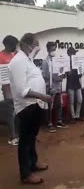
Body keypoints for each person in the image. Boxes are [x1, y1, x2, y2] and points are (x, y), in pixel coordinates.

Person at [9, 33, 52, 184]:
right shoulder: (18, 62)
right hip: (26, 107)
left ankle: (33, 163)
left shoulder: (28, 60)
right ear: (27, 45)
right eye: (35, 44)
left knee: (32, 137)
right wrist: (42, 96)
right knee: (25, 140)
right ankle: (25, 174)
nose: (37, 47)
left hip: (35, 105)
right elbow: (22, 90)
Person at [42, 42, 68, 133]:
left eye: (54, 49)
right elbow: (44, 75)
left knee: (60, 104)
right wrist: (49, 86)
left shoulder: (58, 60)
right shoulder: (46, 61)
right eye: (52, 49)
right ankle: (49, 123)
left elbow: (61, 71)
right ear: (48, 50)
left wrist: (63, 74)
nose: (54, 51)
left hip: (58, 86)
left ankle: (59, 121)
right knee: (50, 106)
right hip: (51, 87)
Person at [0, 35, 19, 146]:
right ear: (7, 44)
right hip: (6, 89)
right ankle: (12, 137)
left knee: (16, 111)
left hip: (15, 87)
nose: (15, 47)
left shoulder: (13, 56)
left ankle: (16, 134)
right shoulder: (0, 56)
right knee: (10, 113)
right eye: (13, 45)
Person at [66, 46, 84, 123]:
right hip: (70, 83)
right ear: (69, 54)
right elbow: (65, 73)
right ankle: (73, 117)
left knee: (80, 99)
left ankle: (77, 115)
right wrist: (68, 72)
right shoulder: (66, 63)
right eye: (73, 53)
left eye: (74, 53)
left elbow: (80, 74)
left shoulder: (77, 62)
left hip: (77, 82)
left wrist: (80, 72)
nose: (74, 54)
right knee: (71, 101)